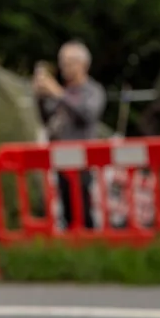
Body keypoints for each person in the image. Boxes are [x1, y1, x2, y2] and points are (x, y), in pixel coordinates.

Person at [34, 41, 106, 228]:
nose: (65, 66)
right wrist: (40, 96)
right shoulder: (64, 91)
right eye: (62, 62)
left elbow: (86, 114)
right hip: (60, 160)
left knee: (84, 211)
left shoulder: (93, 91)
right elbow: (47, 119)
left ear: (83, 64)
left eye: (69, 62)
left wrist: (57, 93)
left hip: (84, 163)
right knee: (65, 212)